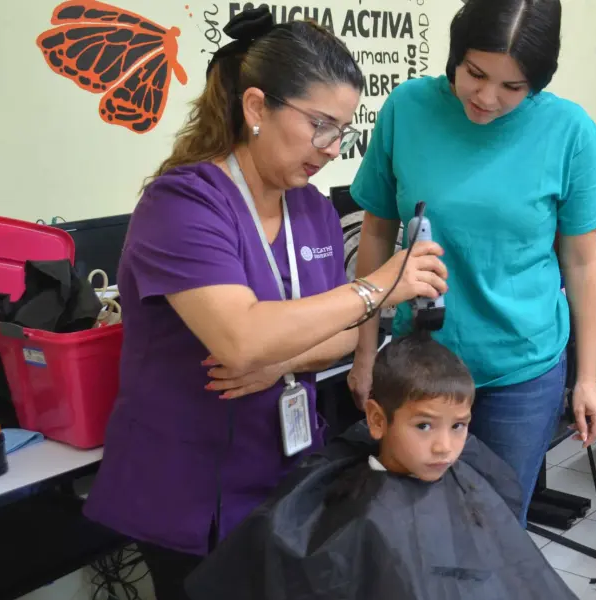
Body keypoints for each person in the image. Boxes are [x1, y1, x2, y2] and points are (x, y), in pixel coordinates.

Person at [82, 10, 448, 600]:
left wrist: (282, 359)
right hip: (191, 483)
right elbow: (243, 339)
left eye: (343, 131)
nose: (332, 149)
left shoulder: (311, 208)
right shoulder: (183, 204)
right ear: (256, 108)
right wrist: (376, 287)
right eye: (320, 126)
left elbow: (344, 333)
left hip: (283, 465)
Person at [347, 0, 596, 524]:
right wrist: (364, 351)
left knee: (495, 524)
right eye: (475, 73)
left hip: (523, 367)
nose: (487, 98)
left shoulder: (569, 130)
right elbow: (376, 233)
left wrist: (588, 377)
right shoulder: (407, 108)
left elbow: (583, 265)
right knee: (413, 520)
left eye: (513, 87)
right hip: (420, 359)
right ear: (456, 54)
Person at [185, 334, 576, 599]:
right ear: (376, 419)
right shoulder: (347, 512)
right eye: (424, 425)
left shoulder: (470, 478)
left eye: (459, 426)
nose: (445, 446)